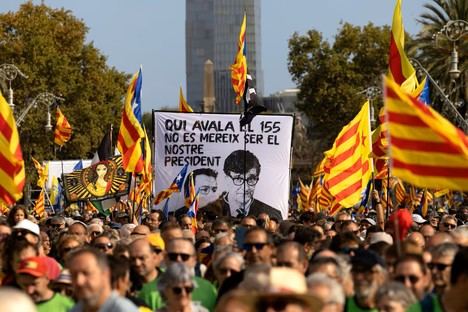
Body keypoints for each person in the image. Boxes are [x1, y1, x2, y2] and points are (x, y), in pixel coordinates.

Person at [209, 150, 282, 220]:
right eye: (238, 179)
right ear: (227, 180)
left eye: (251, 179)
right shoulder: (211, 211)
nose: (245, 188)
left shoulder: (272, 215)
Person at [67, 248, 138, 312]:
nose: (79, 281)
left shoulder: (123, 309)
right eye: (73, 275)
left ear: (105, 274)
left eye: (86, 273)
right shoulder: (75, 310)